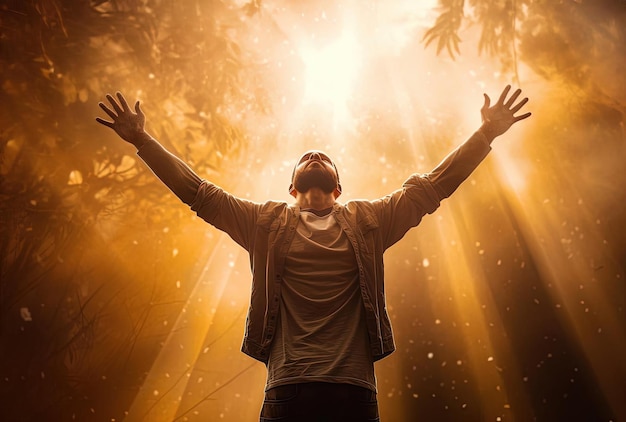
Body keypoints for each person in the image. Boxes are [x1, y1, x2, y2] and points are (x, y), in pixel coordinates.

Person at [96, 85, 530, 422]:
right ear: (291, 188)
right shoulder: (263, 223)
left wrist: (486, 133)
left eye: (325, 158)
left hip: (354, 390)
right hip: (289, 388)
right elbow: (198, 193)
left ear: (338, 189)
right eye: (307, 156)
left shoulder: (368, 222)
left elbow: (434, 185)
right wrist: (142, 140)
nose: (316, 154)